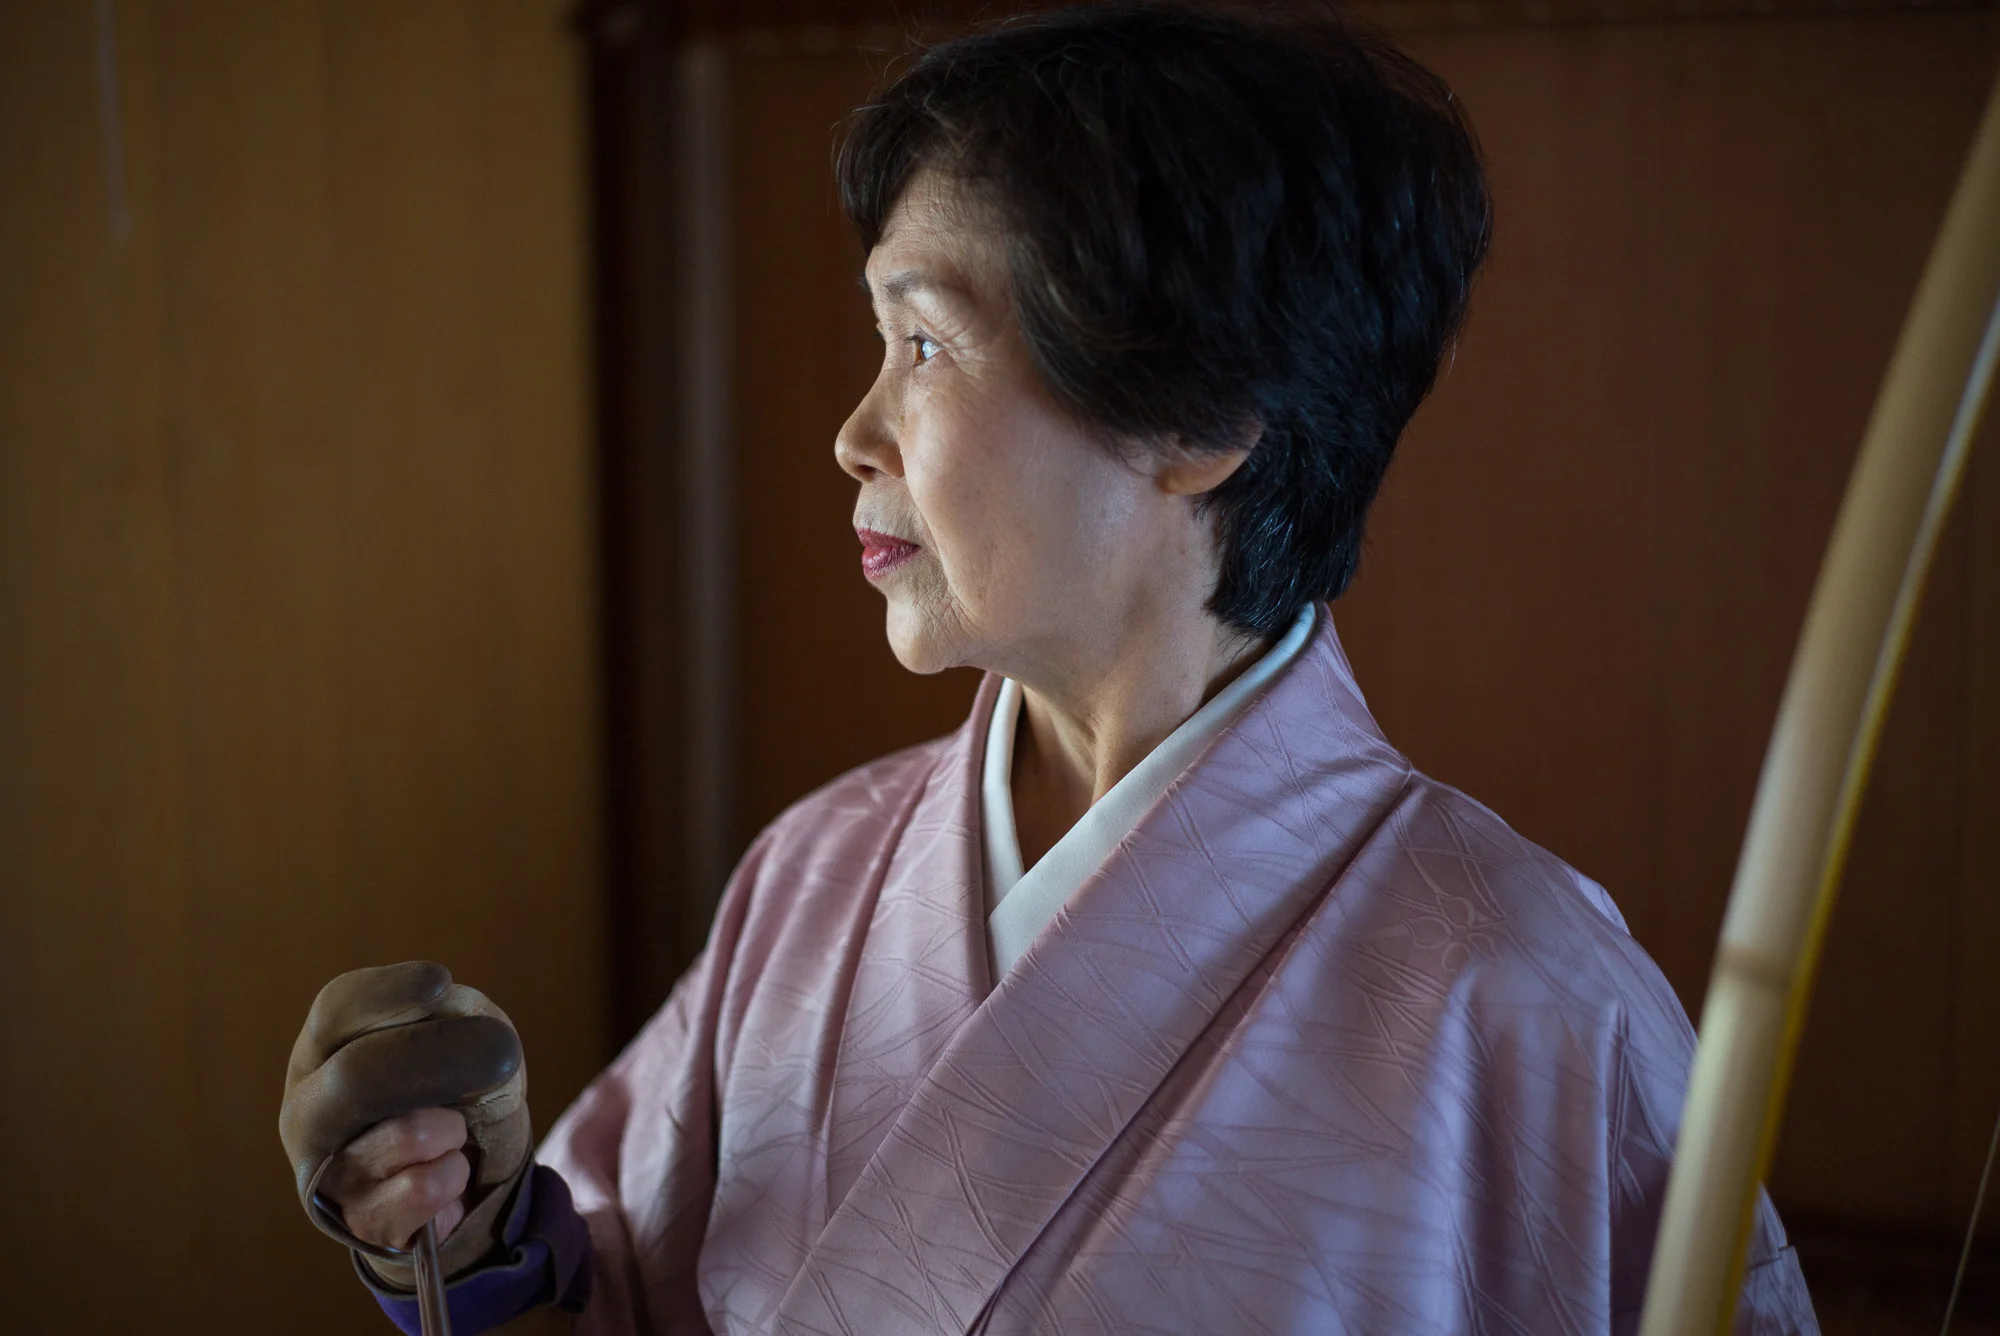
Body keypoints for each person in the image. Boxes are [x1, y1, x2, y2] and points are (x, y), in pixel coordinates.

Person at [278, 5, 1821, 1333]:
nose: (855, 433)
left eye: (926, 346)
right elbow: (614, 1285)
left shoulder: (1530, 999)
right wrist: (467, 1223)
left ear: (1201, 418)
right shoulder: (813, 878)